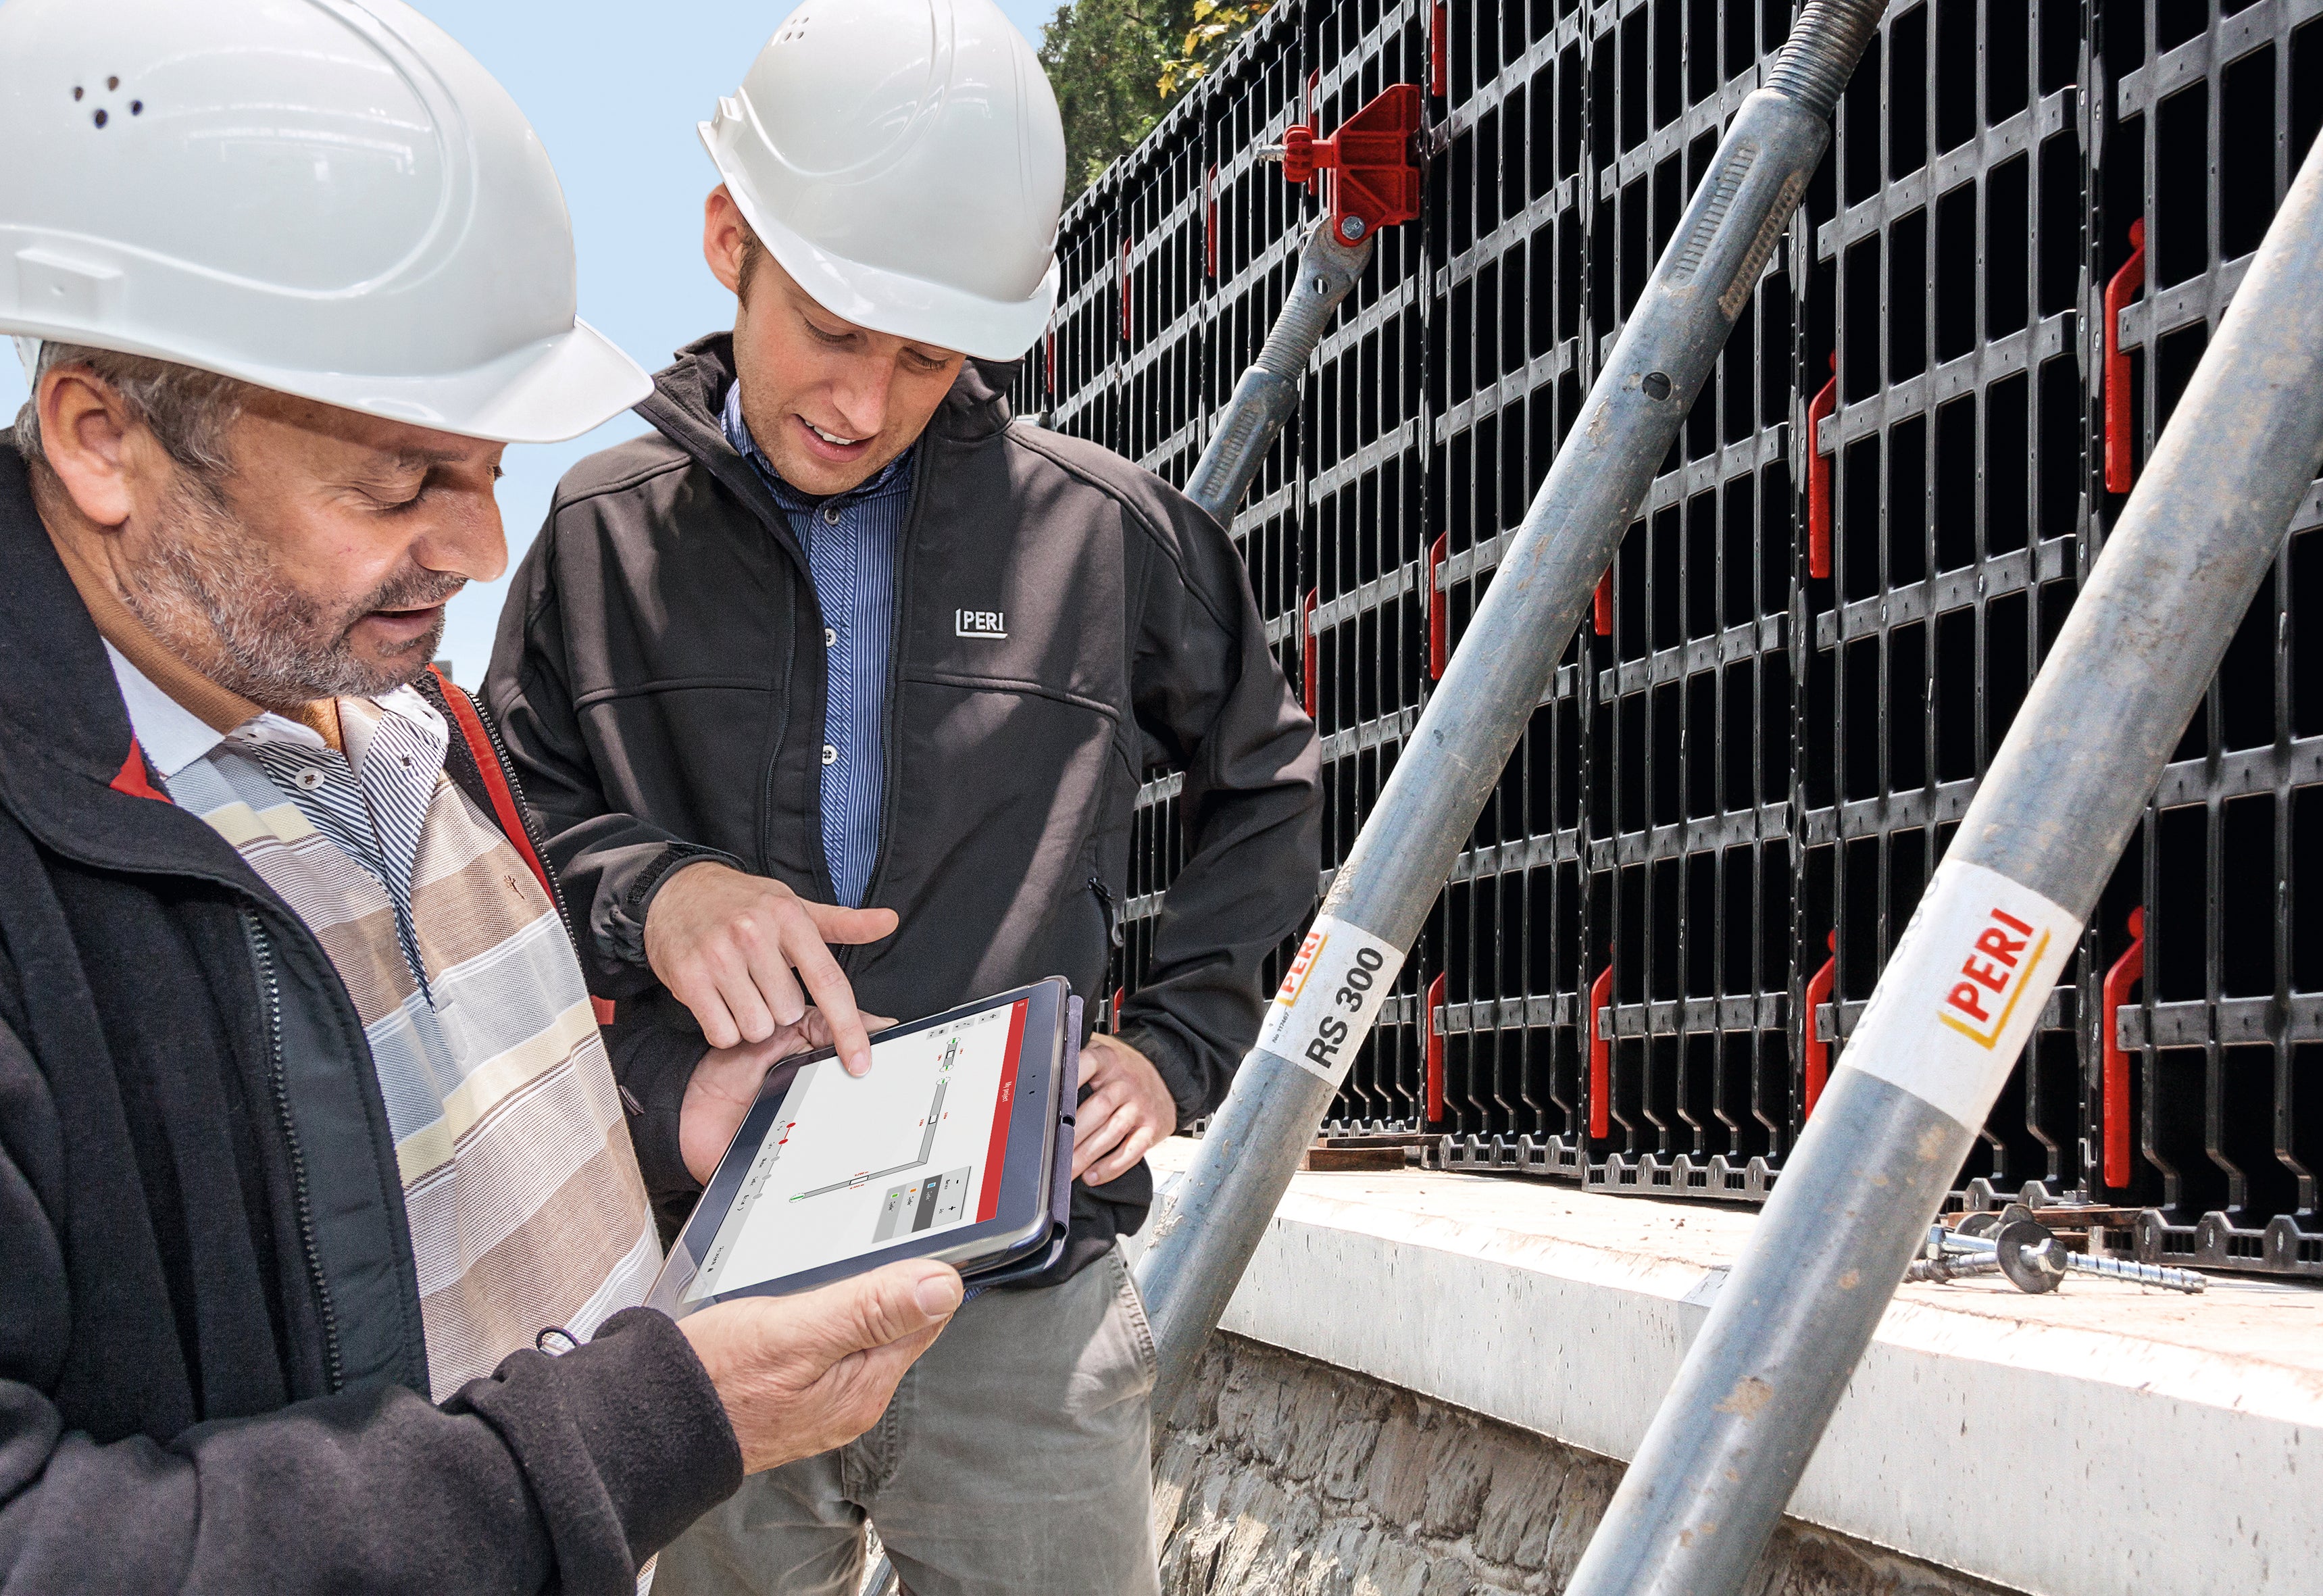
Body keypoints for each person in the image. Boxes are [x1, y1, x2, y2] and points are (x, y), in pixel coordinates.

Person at [0, 3, 963, 1592]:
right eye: (401, 479)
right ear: (104, 440)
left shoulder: (403, 712)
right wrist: (630, 1433)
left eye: (488, 465)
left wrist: (674, 1105)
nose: (472, 545)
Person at [482, 0, 1324, 1589]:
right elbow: (501, 850)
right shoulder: (599, 534)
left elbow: (1266, 788)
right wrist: (656, 890)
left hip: (1026, 1305)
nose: (865, 398)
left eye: (925, 353)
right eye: (833, 327)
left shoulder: (1105, 535)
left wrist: (1178, 1044)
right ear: (730, 238)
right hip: (715, 1295)